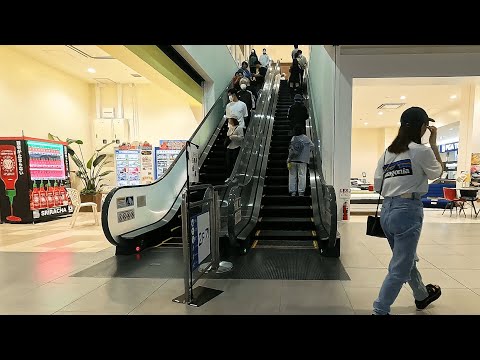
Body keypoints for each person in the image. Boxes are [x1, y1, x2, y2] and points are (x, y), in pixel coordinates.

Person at [372, 106, 444, 315]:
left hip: (387, 212)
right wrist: (433, 145)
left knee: (405, 258)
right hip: (407, 211)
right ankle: (380, 310)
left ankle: (421, 296)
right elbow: (436, 173)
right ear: (423, 127)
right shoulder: (421, 150)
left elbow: (378, 185)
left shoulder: (388, 152)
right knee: (401, 266)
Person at [287, 125, 314, 196]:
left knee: (292, 176)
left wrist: (289, 159)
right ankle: (301, 192)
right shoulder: (306, 138)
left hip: (293, 160)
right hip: (302, 161)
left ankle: (293, 192)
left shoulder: (293, 138)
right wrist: (306, 152)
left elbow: (291, 150)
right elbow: (312, 146)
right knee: (302, 176)